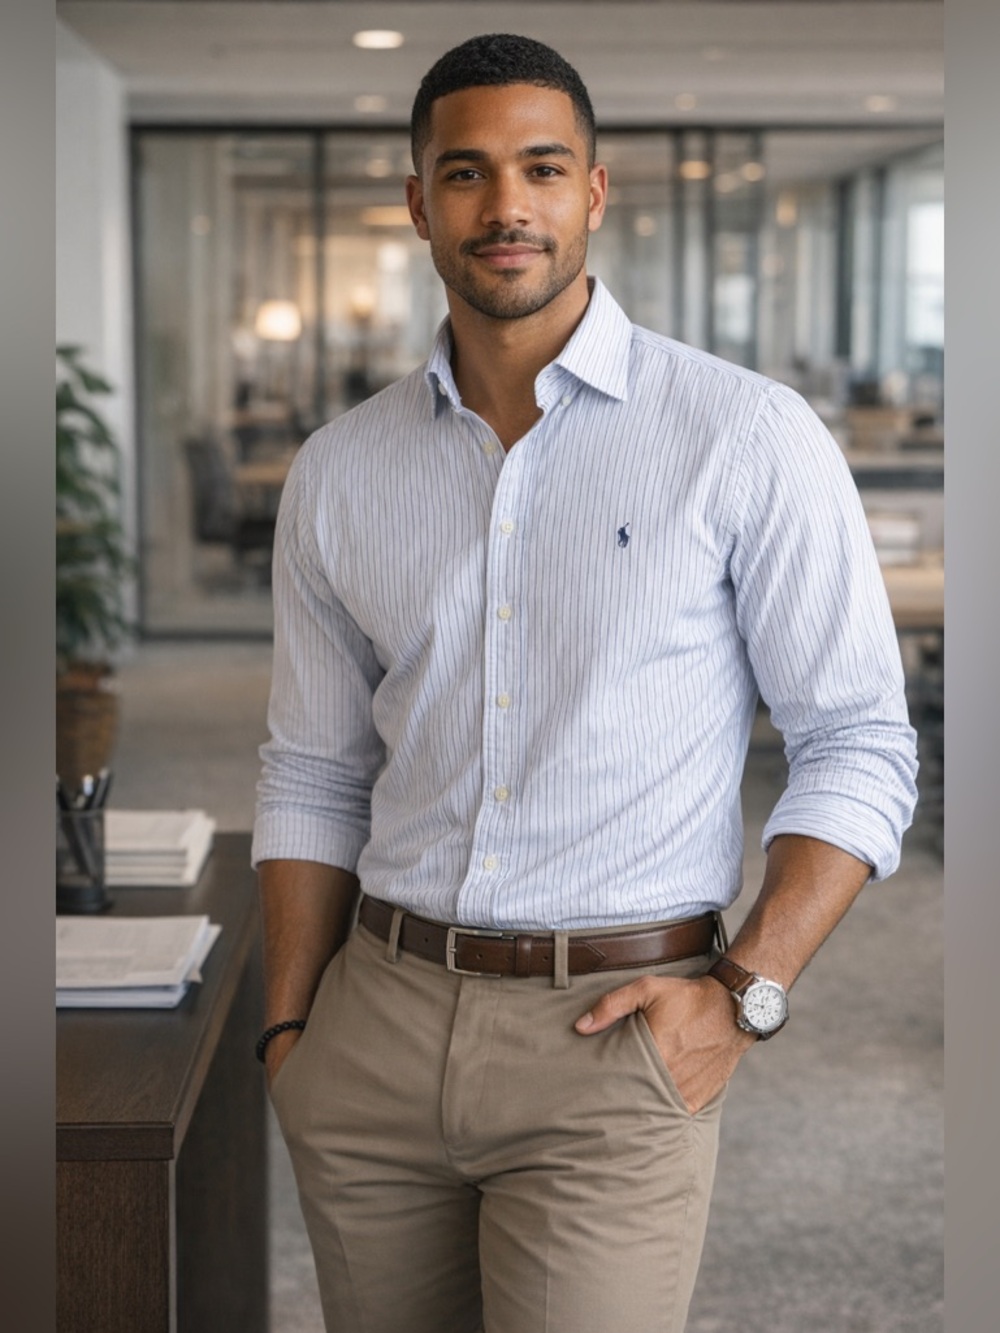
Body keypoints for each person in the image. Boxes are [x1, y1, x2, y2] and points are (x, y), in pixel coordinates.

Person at [252, 32, 918, 1333]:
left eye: (542, 168)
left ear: (595, 193)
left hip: (612, 1035)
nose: (507, 206)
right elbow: (314, 767)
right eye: (467, 173)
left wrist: (744, 992)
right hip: (375, 1024)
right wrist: (290, 1034)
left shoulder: (742, 435)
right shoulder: (339, 469)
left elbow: (857, 741)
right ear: (417, 203)